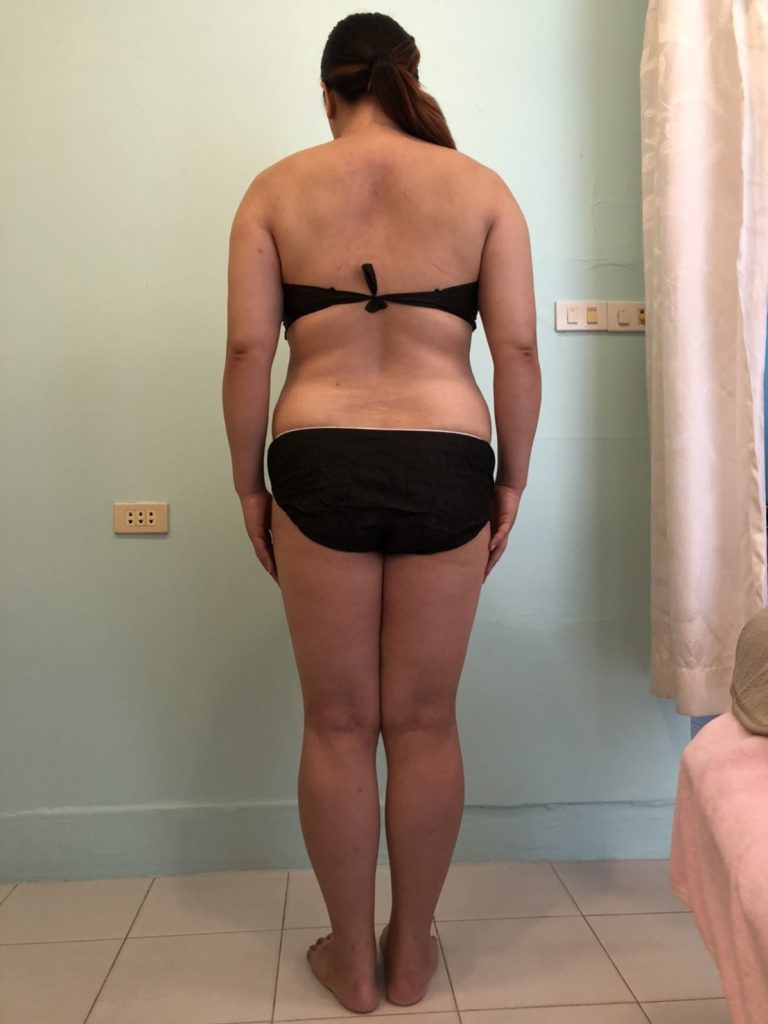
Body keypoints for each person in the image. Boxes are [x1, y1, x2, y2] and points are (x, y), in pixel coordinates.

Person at [222, 12, 541, 1014]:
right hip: (448, 457)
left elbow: (248, 352)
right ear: (409, 78)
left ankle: (352, 965)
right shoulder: (482, 189)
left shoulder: (275, 190)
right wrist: (512, 480)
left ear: (330, 91)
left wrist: (248, 485)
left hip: (319, 455)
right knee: (425, 722)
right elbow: (518, 351)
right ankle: (410, 959)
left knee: (337, 722)